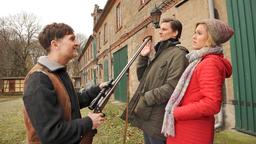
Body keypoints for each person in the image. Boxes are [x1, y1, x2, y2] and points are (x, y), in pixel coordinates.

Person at [23, 23, 106, 144]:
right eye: (72, 39)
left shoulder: (59, 72)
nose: (77, 43)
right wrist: (89, 122)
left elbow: (70, 101)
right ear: (55, 44)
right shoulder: (39, 79)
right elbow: (51, 134)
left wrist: (98, 89)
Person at [161, 19, 234, 144]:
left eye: (199, 33)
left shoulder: (209, 63)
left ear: (211, 38)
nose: (194, 36)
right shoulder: (199, 61)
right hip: (187, 127)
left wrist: (176, 112)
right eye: (195, 32)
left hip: (193, 132)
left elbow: (211, 104)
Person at [121, 18, 189, 144]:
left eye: (164, 29)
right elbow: (143, 78)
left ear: (175, 33)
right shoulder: (161, 54)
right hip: (148, 116)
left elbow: (173, 87)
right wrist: (143, 57)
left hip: (158, 118)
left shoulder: (179, 55)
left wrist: (146, 97)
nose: (160, 32)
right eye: (160, 29)